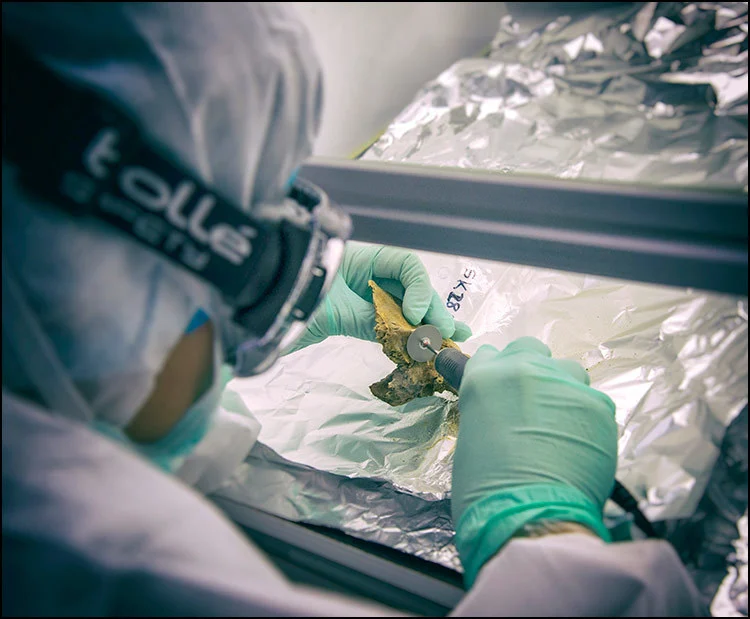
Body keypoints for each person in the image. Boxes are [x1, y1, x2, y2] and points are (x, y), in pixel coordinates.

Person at [1, 3, 707, 616]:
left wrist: (273, 319)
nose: (269, 314)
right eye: (267, 274)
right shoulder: (81, 555)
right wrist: (542, 533)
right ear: (94, 295)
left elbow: (125, 413)